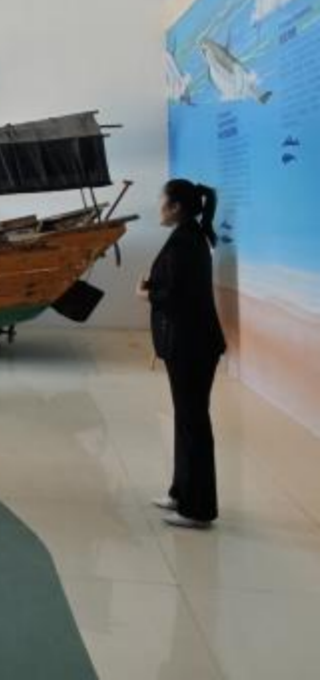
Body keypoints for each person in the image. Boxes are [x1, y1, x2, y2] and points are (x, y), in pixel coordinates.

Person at [140, 179, 227, 530]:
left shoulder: (185, 241)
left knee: (193, 423)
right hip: (191, 343)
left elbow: (175, 296)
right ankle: (181, 492)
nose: (158, 207)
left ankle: (198, 509)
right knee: (186, 420)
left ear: (175, 206)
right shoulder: (190, 236)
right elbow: (178, 285)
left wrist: (145, 294)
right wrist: (154, 286)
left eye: (161, 200)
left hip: (191, 344)